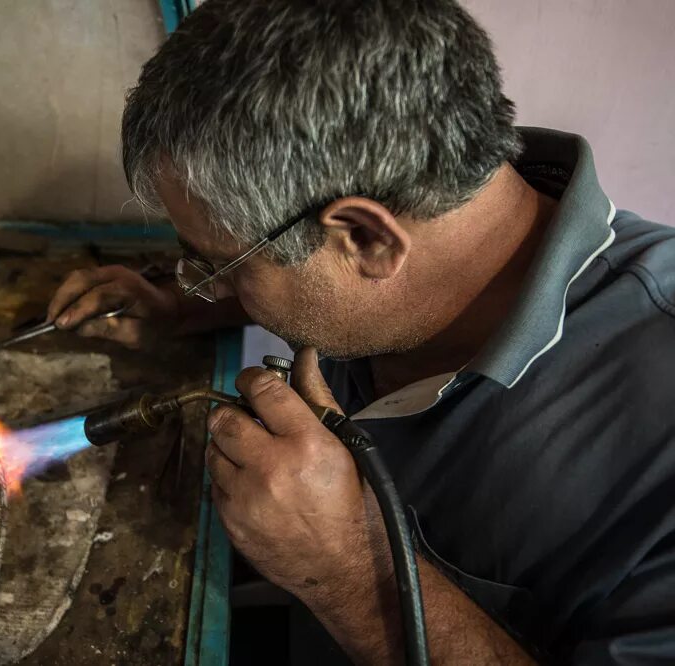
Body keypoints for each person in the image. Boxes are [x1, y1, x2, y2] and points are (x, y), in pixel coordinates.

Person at [45, 0, 675, 662]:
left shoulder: (653, 453)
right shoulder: (437, 229)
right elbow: (316, 275)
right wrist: (186, 308)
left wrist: (346, 571)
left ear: (369, 239)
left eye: (220, 263)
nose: (207, 281)